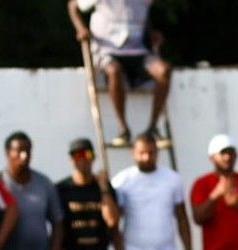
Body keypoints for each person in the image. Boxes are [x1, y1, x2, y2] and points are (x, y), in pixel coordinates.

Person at [67, 0, 171, 146]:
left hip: (138, 51)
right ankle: (123, 128)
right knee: (113, 70)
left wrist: (150, 32)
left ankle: (153, 127)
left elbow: (142, 15)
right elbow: (73, 6)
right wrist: (81, 29)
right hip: (107, 50)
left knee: (163, 71)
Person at [111, 134, 191, 250]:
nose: (147, 157)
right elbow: (114, 223)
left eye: (151, 153)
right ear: (133, 153)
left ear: (157, 153)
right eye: (142, 153)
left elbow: (182, 217)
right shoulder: (122, 180)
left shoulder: (172, 179)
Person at [0, 131, 63, 250]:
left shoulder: (44, 183)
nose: (23, 156)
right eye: (18, 151)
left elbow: (58, 222)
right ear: (8, 153)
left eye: (27, 151)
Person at [55, 137, 119, 250]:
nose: (83, 159)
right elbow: (57, 224)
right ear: (71, 160)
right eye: (77, 156)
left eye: (87, 155)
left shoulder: (104, 188)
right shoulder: (61, 189)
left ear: (94, 157)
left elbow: (112, 221)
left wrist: (103, 187)